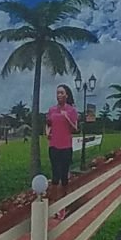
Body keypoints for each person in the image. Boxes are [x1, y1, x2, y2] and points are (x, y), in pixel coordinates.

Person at [46, 83, 79, 219]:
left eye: (61, 93)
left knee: (64, 177)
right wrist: (47, 132)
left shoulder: (71, 111)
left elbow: (75, 129)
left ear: (66, 95)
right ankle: (54, 204)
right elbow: (48, 124)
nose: (59, 95)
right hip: (53, 146)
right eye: (57, 92)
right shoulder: (52, 110)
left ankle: (63, 205)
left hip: (66, 147)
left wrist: (66, 118)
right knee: (55, 177)